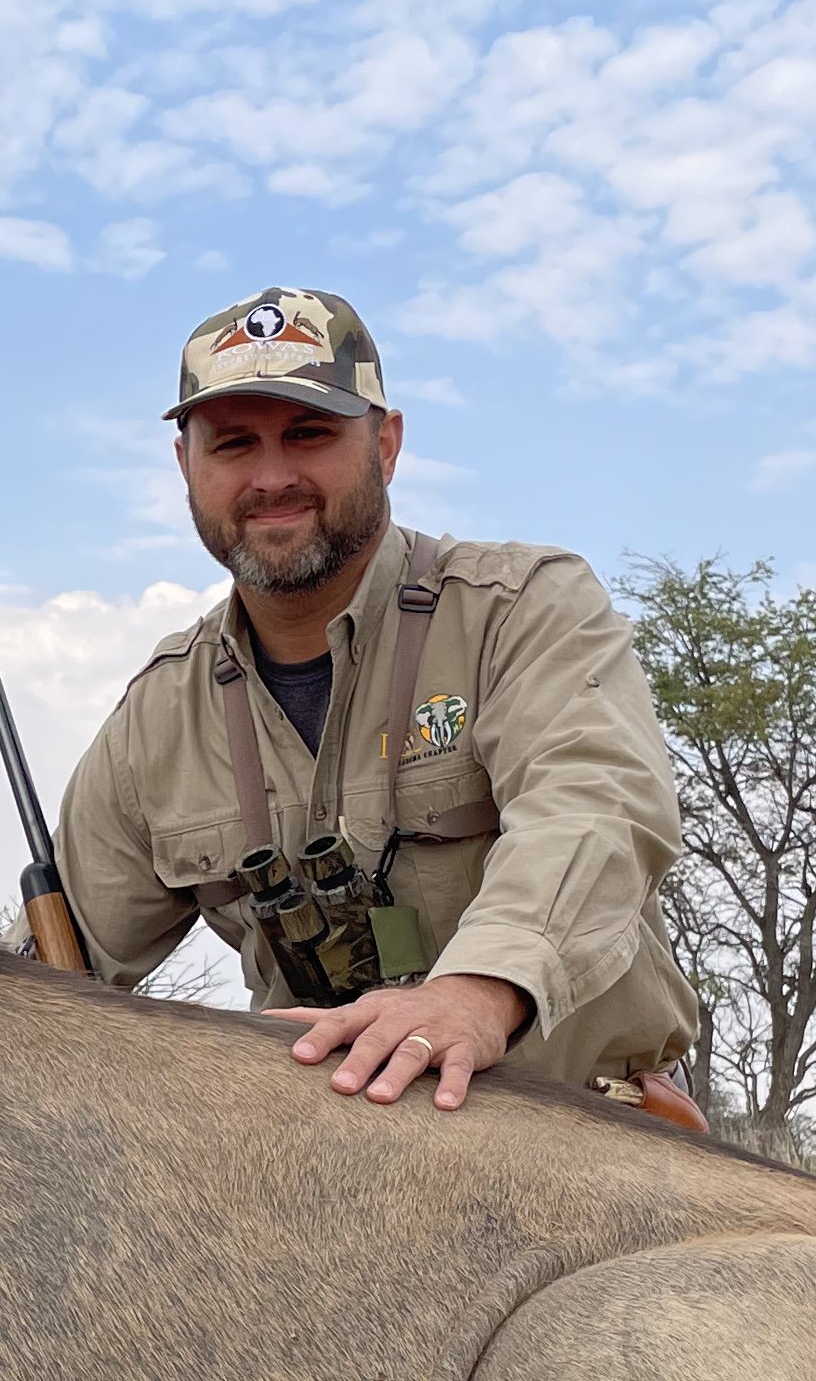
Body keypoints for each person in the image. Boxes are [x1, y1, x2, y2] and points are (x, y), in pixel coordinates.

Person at [52, 286, 703, 1118]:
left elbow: (596, 805)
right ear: (187, 467)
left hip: (581, 1131)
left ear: (386, 445)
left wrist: (474, 995)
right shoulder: (156, 715)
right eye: (235, 444)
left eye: (310, 434)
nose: (272, 476)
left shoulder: (524, 606)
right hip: (327, 1173)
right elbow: (48, 975)